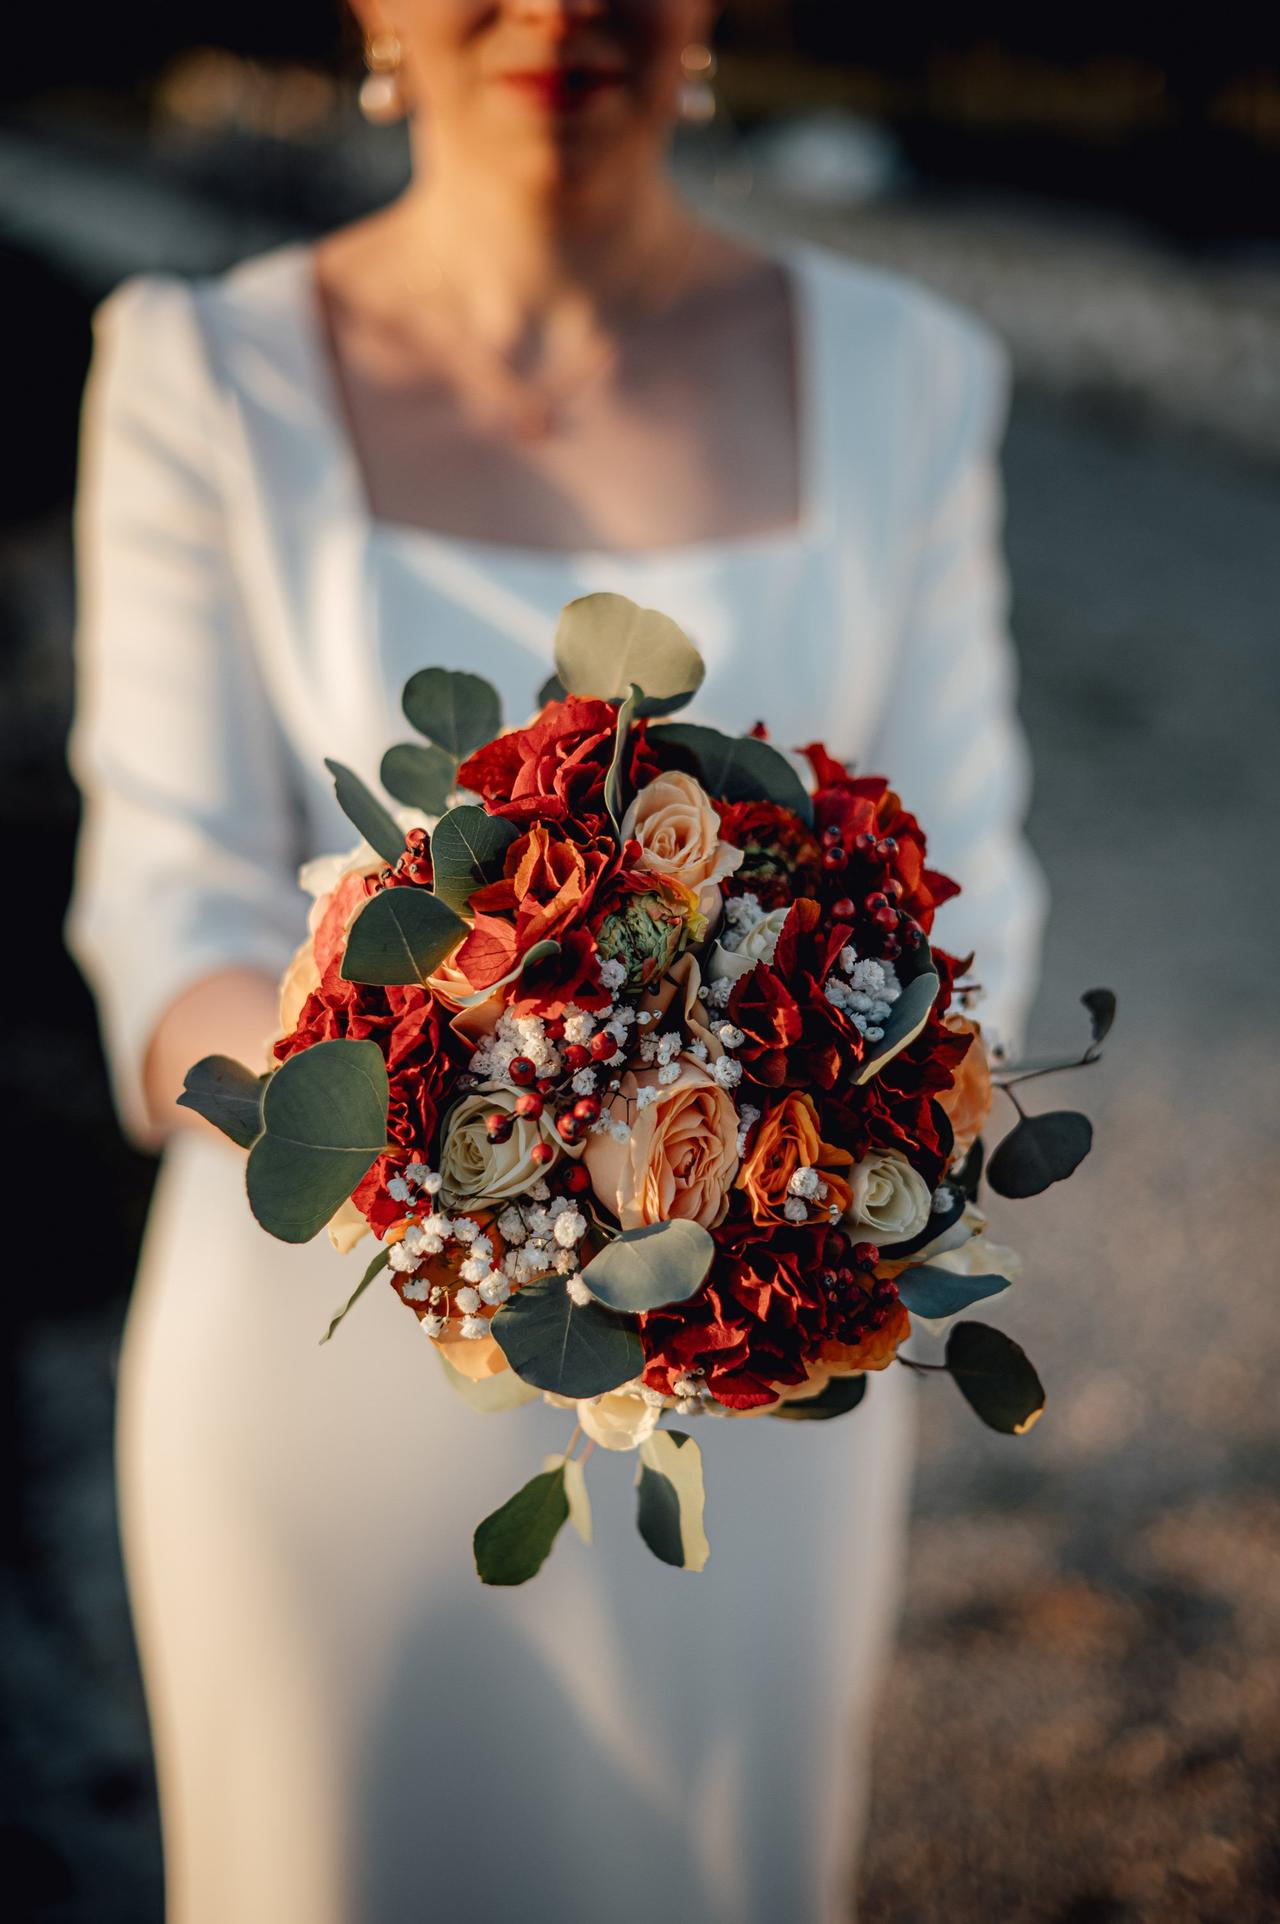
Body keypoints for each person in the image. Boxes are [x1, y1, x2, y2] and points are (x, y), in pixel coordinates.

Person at [64, 3, 1048, 1919]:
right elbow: (166, 911)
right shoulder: (204, 373)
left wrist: (754, 1166)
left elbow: (979, 889)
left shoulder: (911, 377)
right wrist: (433, 1117)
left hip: (754, 1372)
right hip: (325, 1350)